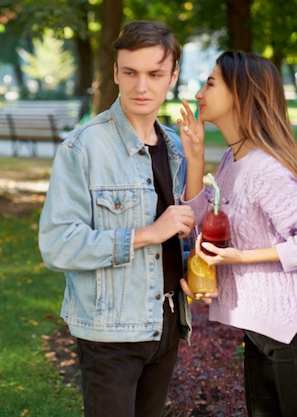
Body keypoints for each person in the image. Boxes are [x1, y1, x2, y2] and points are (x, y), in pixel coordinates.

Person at [38, 21, 195, 417]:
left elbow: (181, 231)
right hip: (111, 332)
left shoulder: (175, 147)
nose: (141, 86)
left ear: (173, 75)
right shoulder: (83, 147)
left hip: (167, 321)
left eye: (155, 74)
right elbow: (57, 245)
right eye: (130, 73)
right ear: (115, 72)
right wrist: (146, 234)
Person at [179, 51, 297, 417]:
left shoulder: (266, 168)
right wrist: (195, 158)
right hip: (260, 332)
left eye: (210, 83)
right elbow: (196, 224)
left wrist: (239, 258)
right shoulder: (234, 159)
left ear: (240, 93)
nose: (199, 94)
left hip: (289, 333)